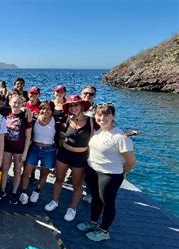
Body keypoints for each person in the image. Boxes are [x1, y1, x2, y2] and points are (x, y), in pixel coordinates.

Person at [77, 104, 136, 241]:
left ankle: (104, 231)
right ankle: (93, 223)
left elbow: (131, 161)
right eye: (99, 114)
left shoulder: (120, 137)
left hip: (110, 174)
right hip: (93, 170)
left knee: (107, 202)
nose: (102, 117)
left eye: (106, 114)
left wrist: (121, 174)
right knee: (96, 198)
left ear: (113, 116)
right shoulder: (99, 131)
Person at [44, 95, 94, 222]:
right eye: (71, 105)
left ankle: (72, 208)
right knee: (59, 179)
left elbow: (106, 130)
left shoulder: (92, 121)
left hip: (80, 156)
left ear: (82, 106)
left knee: (77, 184)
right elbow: (62, 136)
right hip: (64, 153)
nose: (73, 107)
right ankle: (54, 201)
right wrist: (57, 151)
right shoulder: (67, 119)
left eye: (76, 105)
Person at [0, 95, 32, 203]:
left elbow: (28, 136)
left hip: (19, 149)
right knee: (5, 169)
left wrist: (25, 152)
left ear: (22, 105)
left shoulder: (25, 116)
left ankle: (14, 192)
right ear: (10, 103)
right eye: (14, 102)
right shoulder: (5, 112)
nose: (16, 105)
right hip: (6, 147)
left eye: (19, 103)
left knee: (17, 171)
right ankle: (2, 190)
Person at [19, 101, 57, 204]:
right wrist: (25, 109)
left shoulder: (55, 121)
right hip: (34, 148)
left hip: (49, 150)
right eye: (43, 108)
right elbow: (23, 111)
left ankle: (37, 191)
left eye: (48, 109)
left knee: (44, 173)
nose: (45, 111)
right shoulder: (34, 119)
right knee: (27, 171)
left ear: (52, 111)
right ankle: (24, 192)